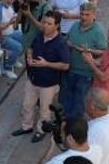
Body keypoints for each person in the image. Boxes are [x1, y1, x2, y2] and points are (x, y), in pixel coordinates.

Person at [13, 11, 70, 143]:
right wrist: (29, 55)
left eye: (49, 24)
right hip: (33, 79)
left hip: (48, 84)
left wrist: (46, 64)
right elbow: (31, 48)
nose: (45, 26)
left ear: (57, 26)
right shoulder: (39, 36)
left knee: (45, 111)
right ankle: (26, 126)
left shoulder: (60, 43)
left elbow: (66, 65)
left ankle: (41, 131)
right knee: (27, 105)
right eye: (44, 22)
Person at [61, 2, 107, 119]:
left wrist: (89, 50)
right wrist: (67, 44)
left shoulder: (98, 31)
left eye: (87, 14)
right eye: (82, 14)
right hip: (70, 70)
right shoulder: (75, 26)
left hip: (85, 74)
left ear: (94, 15)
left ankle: (75, 125)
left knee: (79, 103)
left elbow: (104, 52)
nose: (83, 17)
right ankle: (65, 122)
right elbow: (66, 40)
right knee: (66, 100)